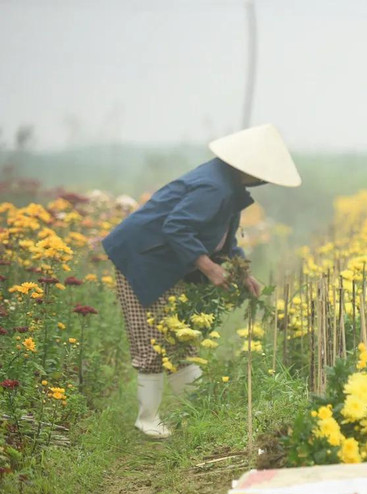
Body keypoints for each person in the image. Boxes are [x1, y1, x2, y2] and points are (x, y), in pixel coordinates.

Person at [103, 124, 301, 438]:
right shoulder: (216, 187)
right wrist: (208, 267)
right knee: (151, 338)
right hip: (142, 259)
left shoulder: (227, 187)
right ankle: (148, 419)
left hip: (165, 261)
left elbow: (224, 238)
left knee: (181, 339)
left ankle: (199, 411)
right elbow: (177, 228)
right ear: (250, 168)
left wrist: (242, 271)